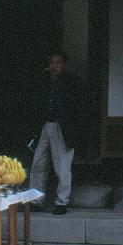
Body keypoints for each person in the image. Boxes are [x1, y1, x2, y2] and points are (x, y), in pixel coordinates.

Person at [29, 49, 82, 215]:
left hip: (62, 126)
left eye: (58, 62)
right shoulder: (43, 82)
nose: (54, 66)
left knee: (62, 166)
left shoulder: (72, 82)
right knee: (38, 164)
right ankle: (36, 200)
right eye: (52, 62)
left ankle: (62, 201)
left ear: (63, 64)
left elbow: (78, 108)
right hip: (45, 125)